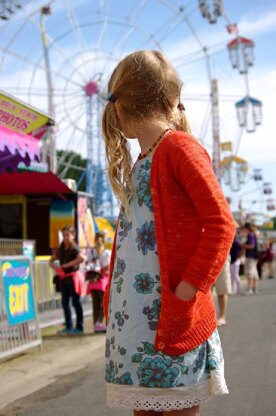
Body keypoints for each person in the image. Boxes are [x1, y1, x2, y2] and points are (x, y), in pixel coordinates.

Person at [102, 50, 236, 416]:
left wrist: (187, 290)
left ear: (122, 104)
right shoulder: (142, 161)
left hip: (169, 316)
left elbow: (222, 224)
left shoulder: (178, 148)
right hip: (136, 321)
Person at [50, 225, 85, 335]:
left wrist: (66, 265)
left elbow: (82, 258)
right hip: (64, 279)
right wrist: (54, 266)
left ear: (73, 236)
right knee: (65, 303)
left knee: (76, 302)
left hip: (73, 279)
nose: (65, 238)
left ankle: (79, 327)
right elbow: (52, 259)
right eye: (64, 235)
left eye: (67, 235)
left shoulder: (75, 248)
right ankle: (69, 326)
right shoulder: (61, 248)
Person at [86, 231, 111, 332]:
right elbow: (107, 268)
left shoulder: (91, 252)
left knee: (95, 304)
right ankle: (100, 323)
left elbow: (87, 263)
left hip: (92, 282)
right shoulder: (106, 253)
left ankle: (95, 324)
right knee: (103, 303)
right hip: (102, 282)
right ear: (104, 240)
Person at [213, 257, 232, 326]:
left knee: (222, 289)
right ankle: (211, 318)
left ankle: (222, 317)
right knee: (206, 291)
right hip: (204, 257)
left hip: (221, 257)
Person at [241, 222, 259, 295]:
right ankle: (254, 288)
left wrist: (243, 245)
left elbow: (251, 245)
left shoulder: (250, 235)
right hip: (254, 256)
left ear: (246, 228)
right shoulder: (253, 234)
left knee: (250, 273)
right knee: (254, 273)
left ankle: (250, 289)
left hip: (250, 256)